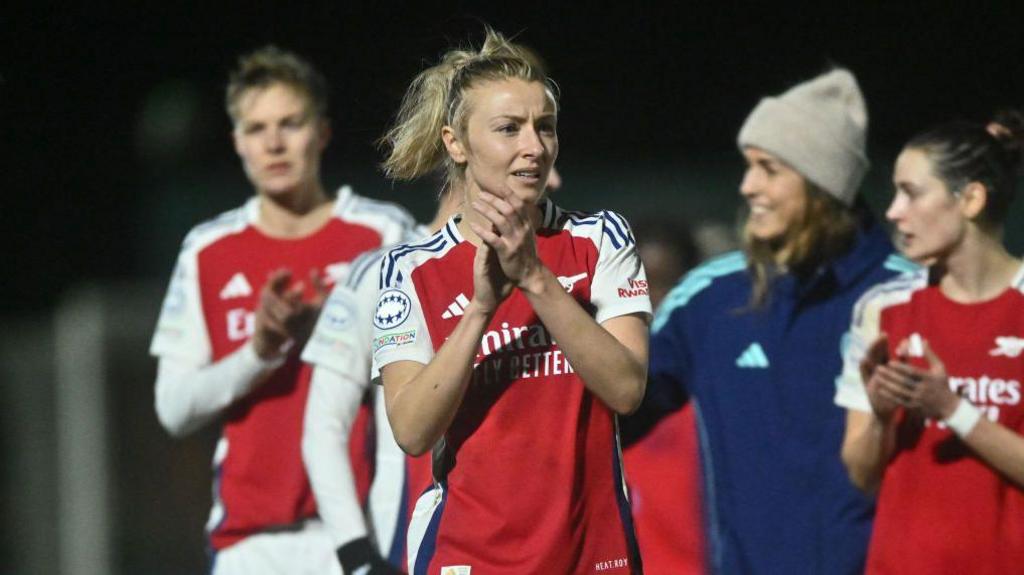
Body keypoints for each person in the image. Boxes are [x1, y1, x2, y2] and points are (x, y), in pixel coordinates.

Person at [371, 28, 651, 574]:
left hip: (591, 554)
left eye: (544, 127)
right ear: (456, 143)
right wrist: (479, 310)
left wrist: (535, 279)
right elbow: (411, 430)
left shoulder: (599, 240)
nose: (535, 146)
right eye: (509, 129)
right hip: (469, 556)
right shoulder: (410, 269)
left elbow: (626, 388)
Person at [625, 68, 915, 574]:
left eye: (769, 168)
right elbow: (616, 412)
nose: (748, 186)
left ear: (823, 182)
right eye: (747, 166)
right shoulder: (711, 299)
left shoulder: (911, 295)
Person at [149, 46, 414, 574]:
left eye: (290, 123)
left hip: (363, 536)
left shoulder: (384, 234)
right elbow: (174, 408)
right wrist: (260, 352)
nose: (273, 142)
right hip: (250, 544)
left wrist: (336, 330)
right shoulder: (208, 249)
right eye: (256, 128)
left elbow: (418, 376)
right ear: (237, 143)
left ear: (322, 132)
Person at [837, 110, 1024, 574]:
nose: (894, 211)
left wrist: (951, 409)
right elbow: (862, 477)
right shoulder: (883, 309)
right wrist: (879, 415)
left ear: (971, 199)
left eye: (911, 193)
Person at [620, 218, 705, 574]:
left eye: (666, 285)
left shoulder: (706, 399)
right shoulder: (596, 391)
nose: (652, 300)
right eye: (640, 285)